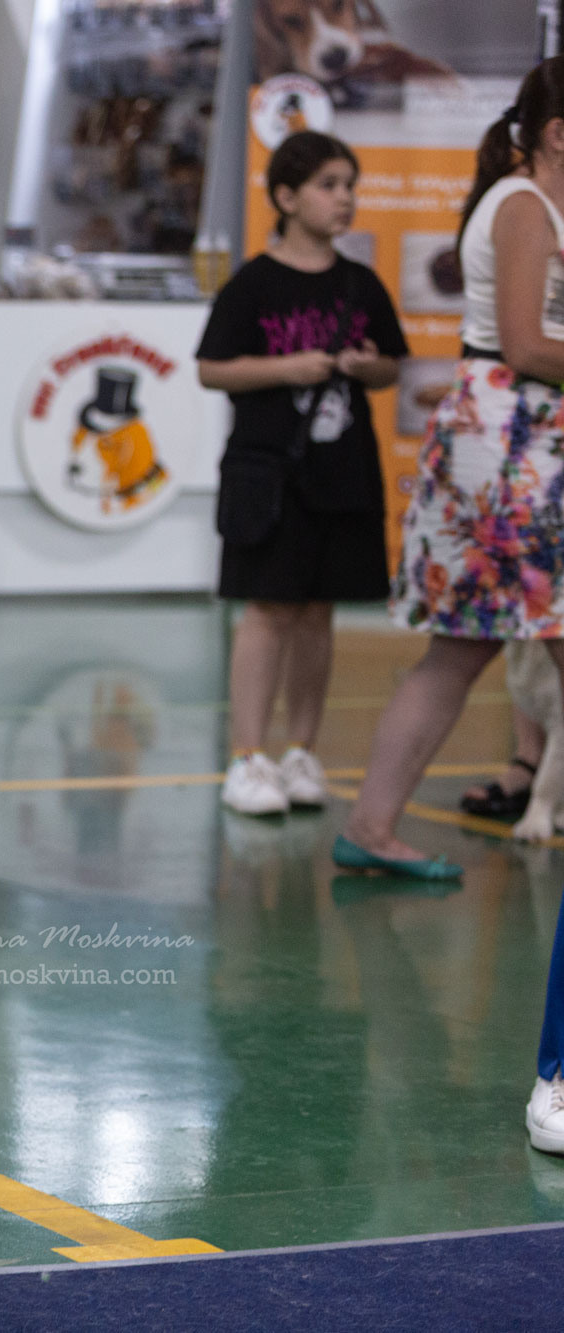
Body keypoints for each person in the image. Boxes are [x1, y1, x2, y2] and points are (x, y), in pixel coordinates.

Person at [341, 59, 564, 880]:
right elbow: (527, 345)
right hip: (512, 450)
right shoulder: (524, 207)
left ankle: (370, 825)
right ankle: (369, 825)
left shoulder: (536, 204)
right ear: (557, 135)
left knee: (457, 652)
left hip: (513, 445)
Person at [196, 130, 406, 817]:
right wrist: (286, 369)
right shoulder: (253, 283)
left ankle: (300, 751)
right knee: (268, 609)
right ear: (285, 197)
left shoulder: (359, 283)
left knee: (319, 611)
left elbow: (390, 366)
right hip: (270, 474)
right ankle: (246, 756)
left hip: (342, 471)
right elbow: (211, 368)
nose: (343, 199)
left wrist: (362, 365)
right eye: (328, 185)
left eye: (349, 185)